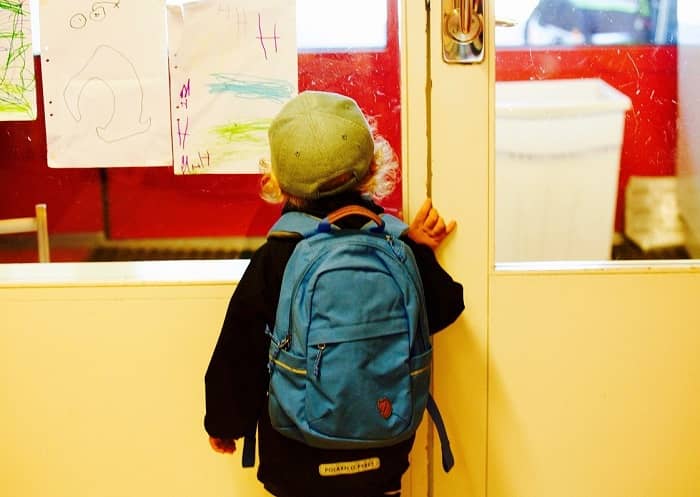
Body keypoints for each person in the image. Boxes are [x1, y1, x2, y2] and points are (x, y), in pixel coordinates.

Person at [204, 91, 464, 497]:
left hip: (296, 458)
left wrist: (224, 423)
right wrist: (418, 252)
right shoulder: (396, 247)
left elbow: (239, 352)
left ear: (275, 180)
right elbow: (448, 306)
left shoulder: (277, 258)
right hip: (384, 451)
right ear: (373, 165)